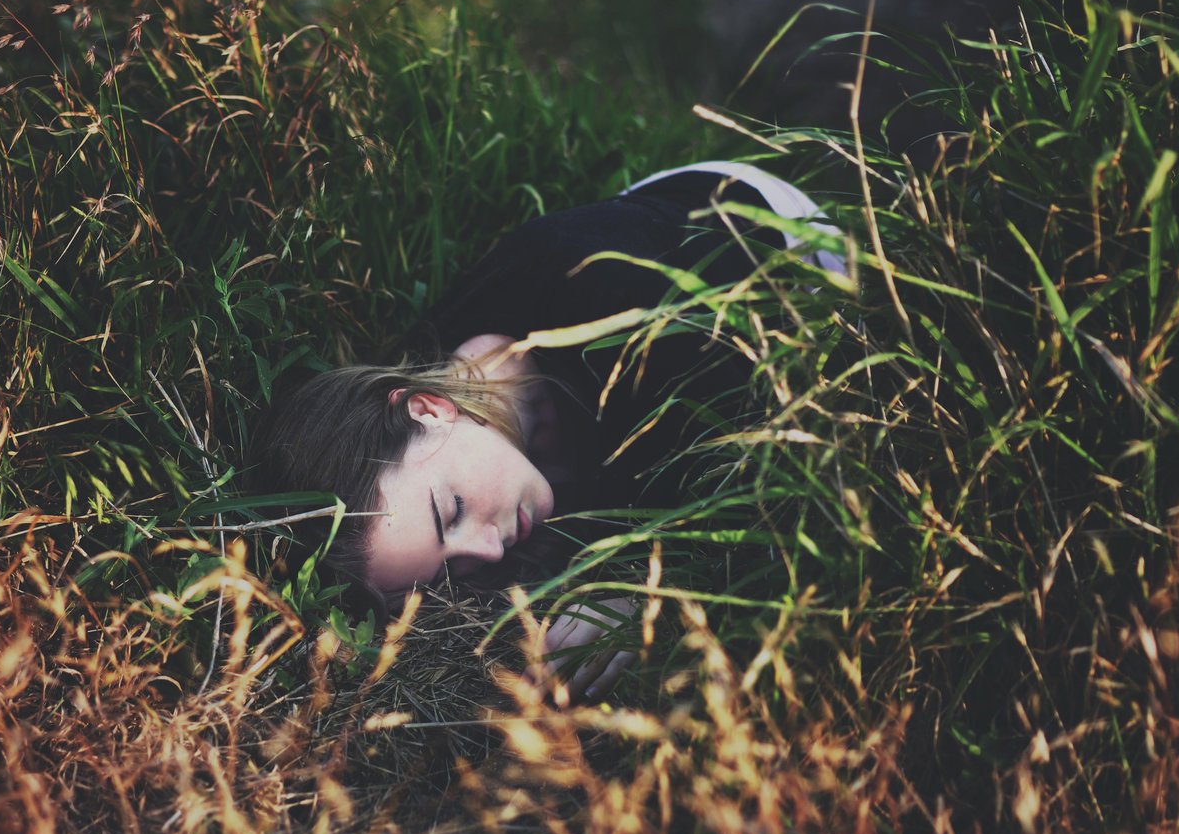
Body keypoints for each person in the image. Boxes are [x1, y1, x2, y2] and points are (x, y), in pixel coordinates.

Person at [251, 161, 843, 700]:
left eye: (452, 512)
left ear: (429, 409)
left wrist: (637, 585)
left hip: (785, 246)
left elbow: (764, 497)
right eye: (450, 568)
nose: (487, 549)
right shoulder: (455, 435)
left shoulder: (635, 318)